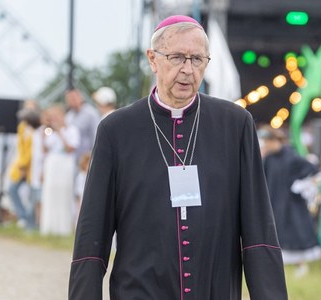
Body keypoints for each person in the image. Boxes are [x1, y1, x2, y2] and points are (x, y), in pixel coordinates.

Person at [69, 15, 287, 300]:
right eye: (177, 57)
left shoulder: (235, 124)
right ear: (152, 59)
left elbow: (258, 227)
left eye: (198, 59)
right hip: (139, 290)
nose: (188, 70)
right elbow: (92, 231)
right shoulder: (116, 129)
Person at [259, 126, 321, 277]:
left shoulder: (291, 157)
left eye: (268, 142)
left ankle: (301, 264)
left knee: (295, 233)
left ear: (276, 141)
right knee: (276, 233)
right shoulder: (268, 158)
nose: (266, 145)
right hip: (274, 200)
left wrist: (300, 184)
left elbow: (312, 168)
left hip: (291, 203)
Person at [40, 106, 80, 236]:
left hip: (65, 163)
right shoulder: (49, 131)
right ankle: (49, 225)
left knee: (64, 193)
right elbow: (45, 149)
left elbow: (70, 148)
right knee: (51, 192)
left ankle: (63, 227)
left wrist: (60, 132)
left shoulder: (72, 130)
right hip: (52, 164)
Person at [8, 101, 41, 230]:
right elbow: (22, 148)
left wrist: (25, 165)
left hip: (33, 167)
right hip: (22, 166)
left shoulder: (37, 130)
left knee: (32, 196)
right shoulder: (22, 127)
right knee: (12, 189)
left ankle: (30, 223)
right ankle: (23, 217)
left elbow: (34, 150)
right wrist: (22, 165)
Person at [65, 88, 101, 161]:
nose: (72, 101)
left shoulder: (91, 113)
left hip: (87, 158)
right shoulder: (68, 116)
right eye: (69, 99)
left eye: (74, 98)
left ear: (81, 97)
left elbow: (96, 135)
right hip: (72, 158)